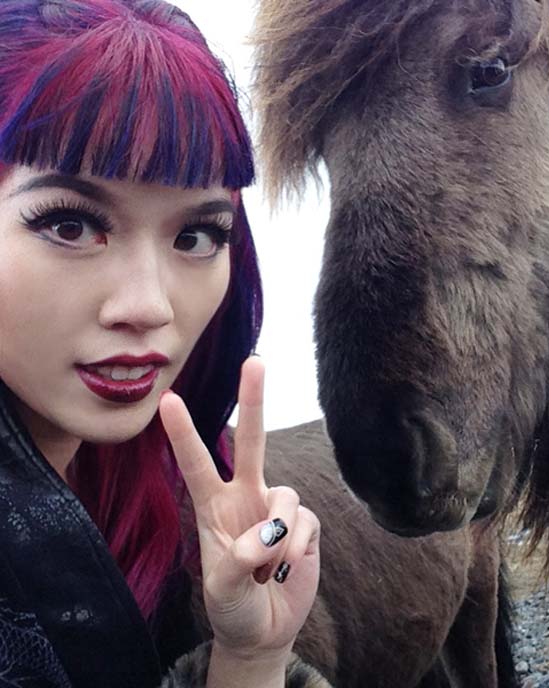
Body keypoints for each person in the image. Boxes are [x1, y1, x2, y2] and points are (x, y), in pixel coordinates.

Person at [0, 1, 325, 686]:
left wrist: (251, 657)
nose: (150, 307)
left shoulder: (164, 492)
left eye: (196, 236)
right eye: (69, 224)